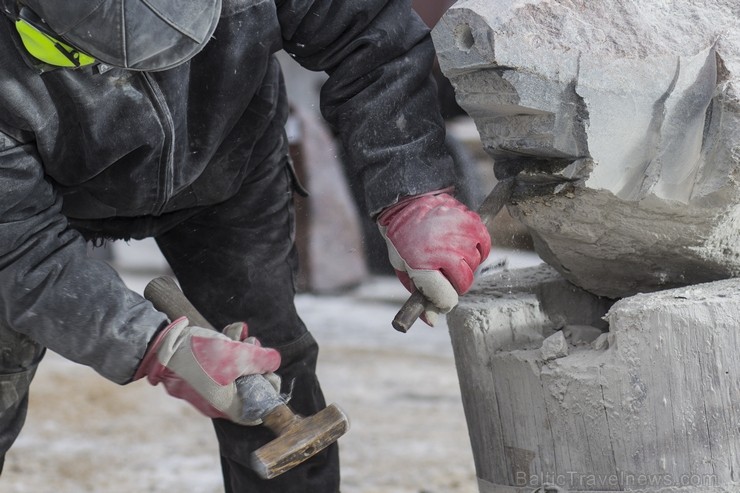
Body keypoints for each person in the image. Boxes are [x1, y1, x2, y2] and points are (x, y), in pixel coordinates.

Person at [0, 0, 491, 491]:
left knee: (271, 365)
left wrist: (415, 193)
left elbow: (371, 35)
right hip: (34, 196)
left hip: (230, 169)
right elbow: (20, 251)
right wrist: (155, 346)